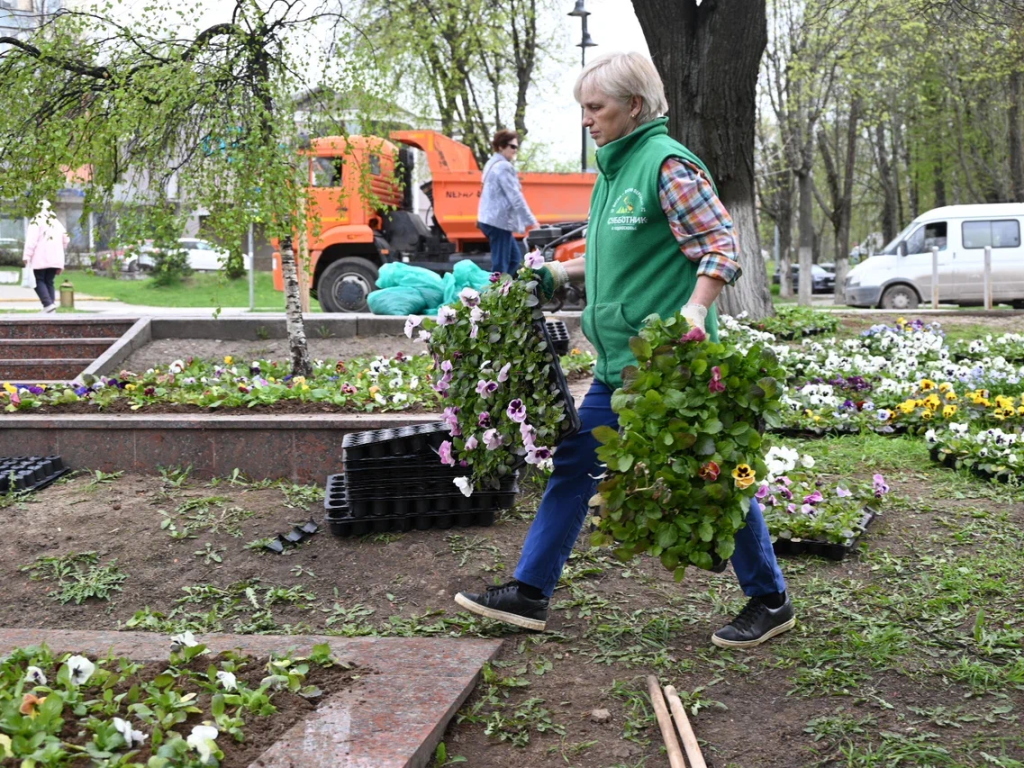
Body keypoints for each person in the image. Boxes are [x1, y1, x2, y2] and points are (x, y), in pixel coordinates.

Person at [455, 52, 795, 649]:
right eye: (584, 108)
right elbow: (614, 258)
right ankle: (530, 593)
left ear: (633, 107)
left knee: (711, 476)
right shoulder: (614, 171)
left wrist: (695, 310)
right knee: (574, 463)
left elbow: (721, 246)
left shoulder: (666, 166)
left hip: (670, 368)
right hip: (619, 367)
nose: (587, 120)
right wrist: (557, 278)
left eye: (597, 107)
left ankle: (770, 600)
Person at [478, 129, 538, 275]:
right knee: (501, 265)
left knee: (514, 259)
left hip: (491, 220)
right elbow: (515, 197)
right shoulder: (503, 166)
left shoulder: (491, 164)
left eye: (516, 147)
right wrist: (531, 221)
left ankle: (505, 291)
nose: (515, 150)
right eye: (512, 146)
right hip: (497, 222)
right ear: (500, 146)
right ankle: (496, 294)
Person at [22, 200, 69, 313]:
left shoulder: (36, 221)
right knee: (49, 281)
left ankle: (47, 304)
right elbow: (66, 239)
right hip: (56, 258)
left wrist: (27, 256)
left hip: (40, 258)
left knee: (38, 280)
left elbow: (31, 240)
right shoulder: (56, 222)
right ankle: (50, 308)